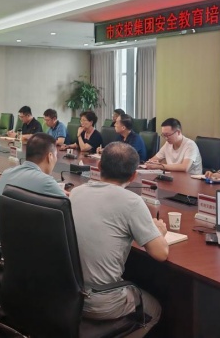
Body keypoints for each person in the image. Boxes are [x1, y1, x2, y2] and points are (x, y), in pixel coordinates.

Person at [70, 142, 168, 331]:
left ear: (99, 166)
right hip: (101, 301)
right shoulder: (132, 202)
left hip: (69, 294)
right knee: (154, 310)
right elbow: (161, 253)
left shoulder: (76, 192)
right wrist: (159, 233)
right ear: (133, 176)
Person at [0, 133, 65, 243]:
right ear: (50, 156)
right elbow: (67, 211)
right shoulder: (46, 182)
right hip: (16, 248)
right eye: (56, 155)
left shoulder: (7, 173)